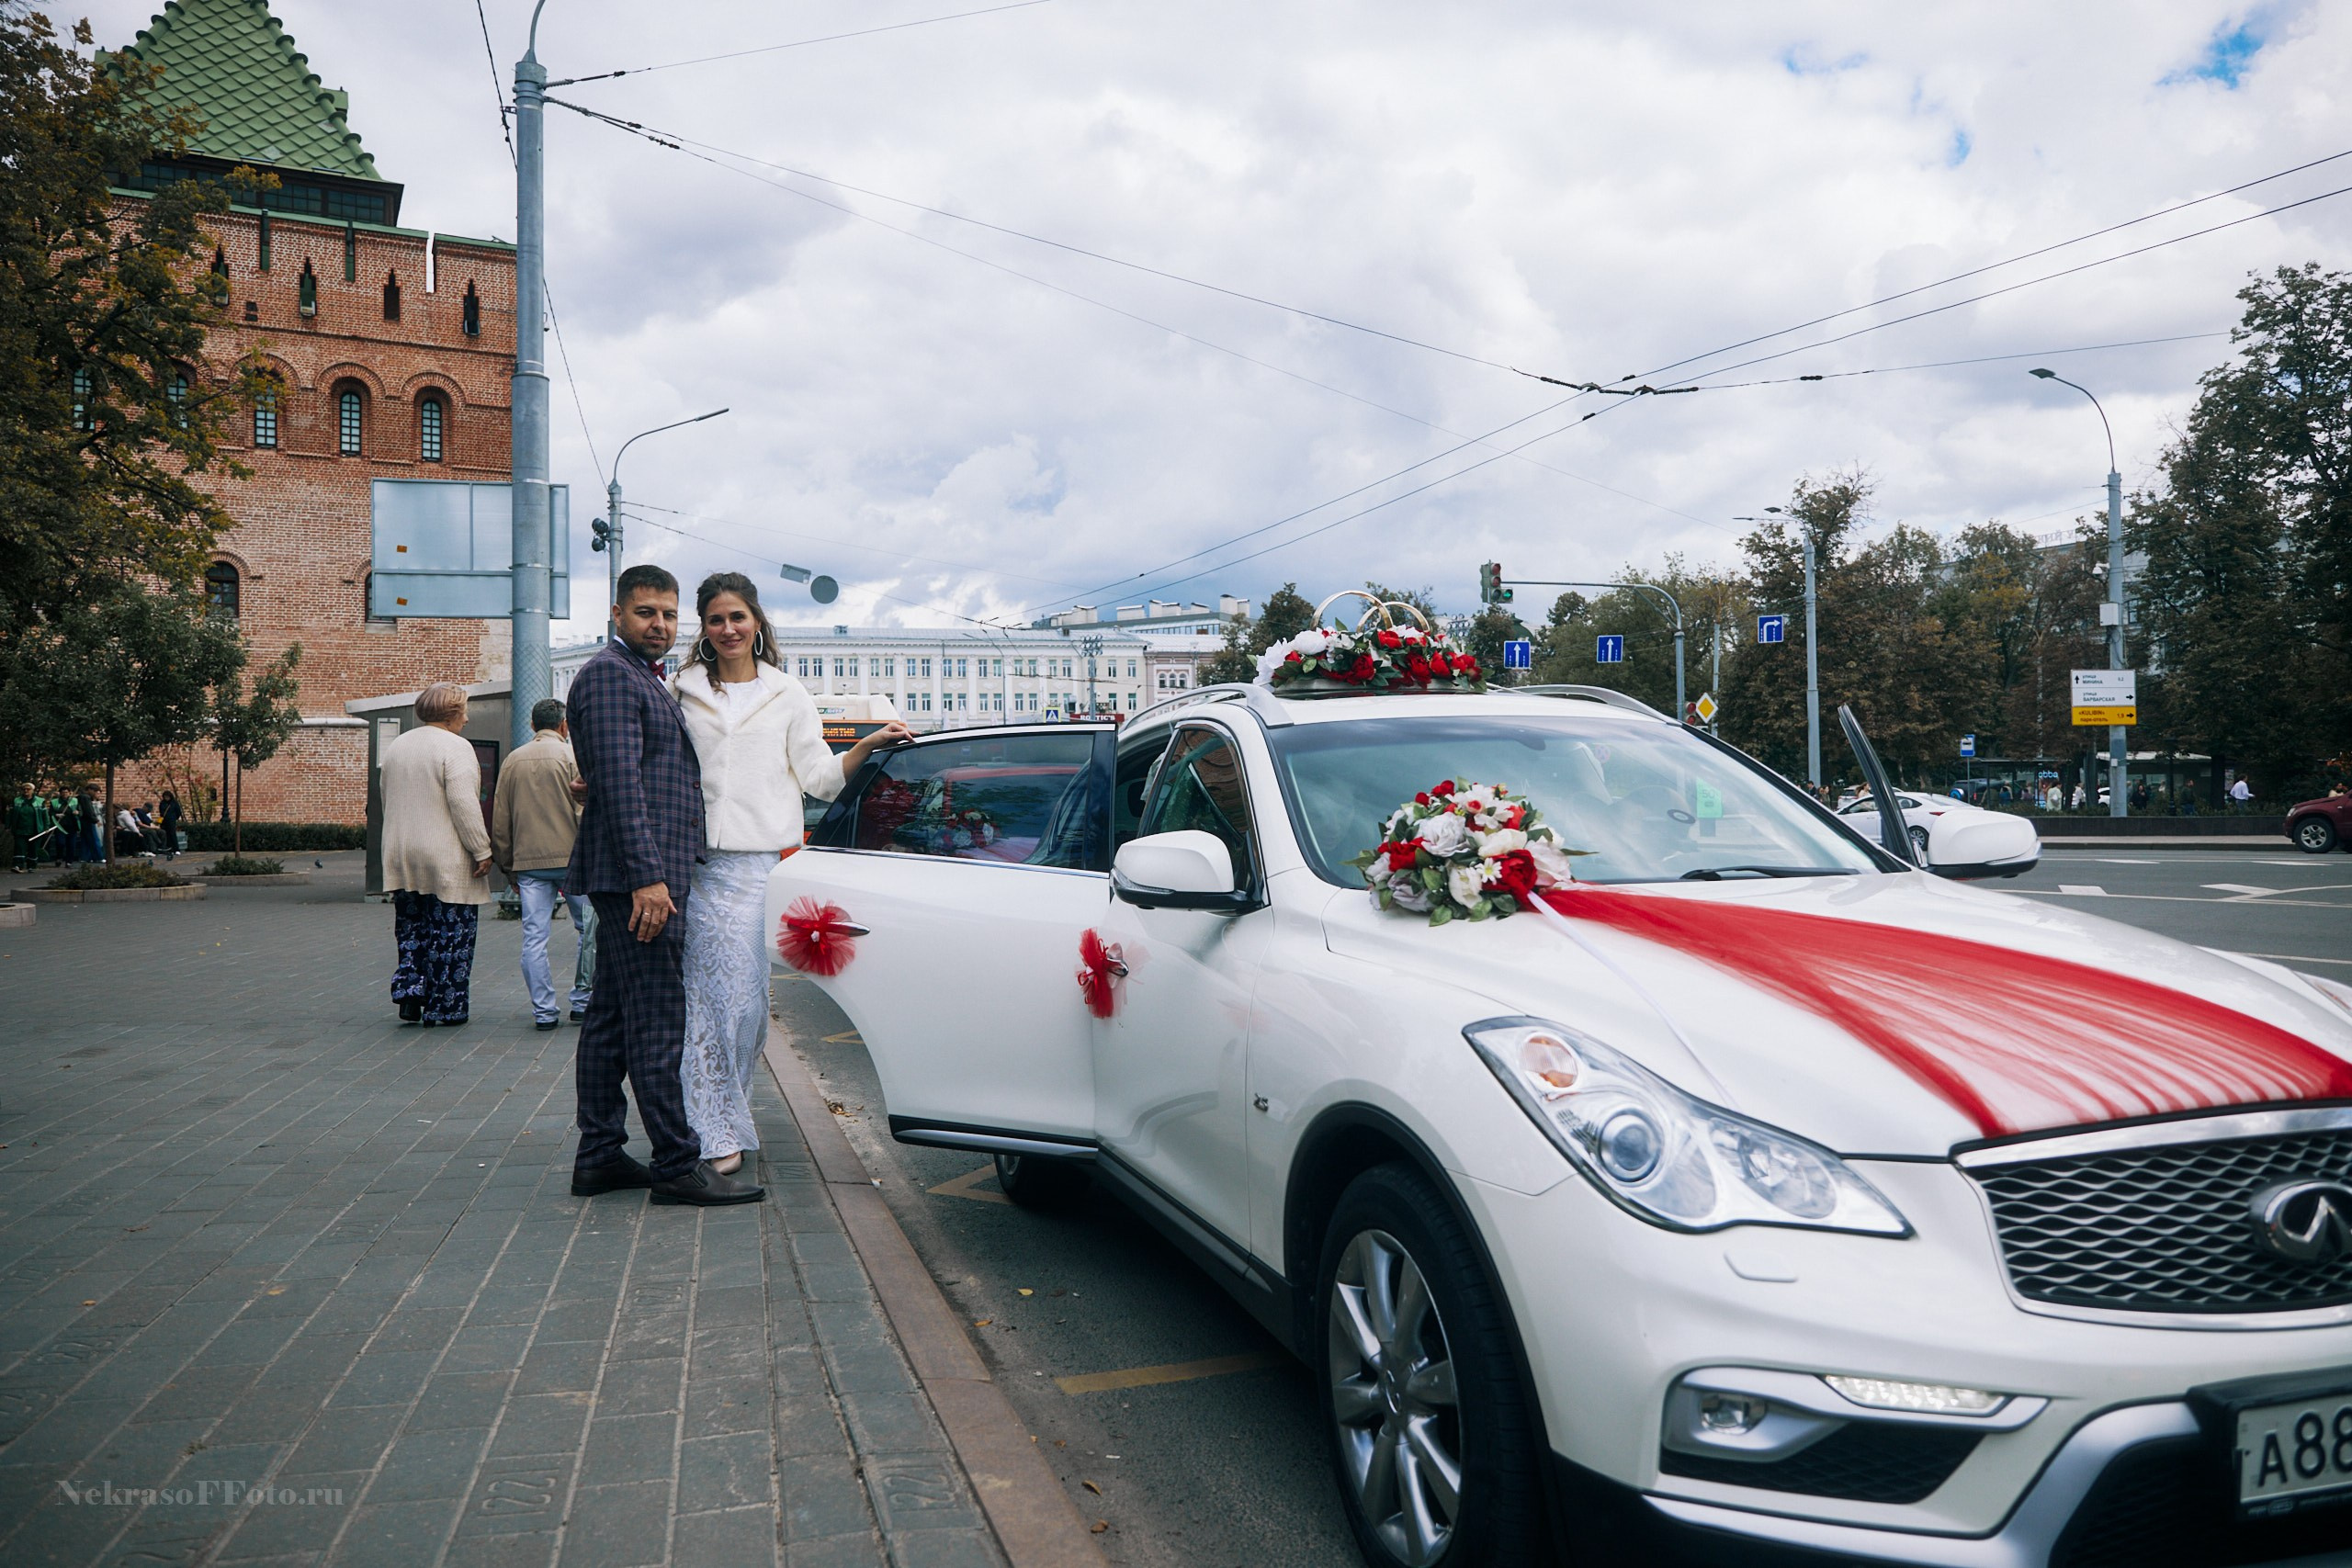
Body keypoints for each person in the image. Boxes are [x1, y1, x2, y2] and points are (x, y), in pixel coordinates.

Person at [673, 572, 910, 1176]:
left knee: (748, 1009)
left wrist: (869, 744)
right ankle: (711, 1125)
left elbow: (820, 779)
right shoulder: (681, 689)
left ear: (757, 623)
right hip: (697, 868)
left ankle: (727, 1105)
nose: (728, 629)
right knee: (706, 1005)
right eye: (716, 619)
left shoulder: (787, 693)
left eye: (738, 617)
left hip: (756, 872)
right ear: (703, 629)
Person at [567, 563, 761, 1207]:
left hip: (637, 875)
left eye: (669, 614)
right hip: (640, 881)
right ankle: (677, 1163)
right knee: (655, 1019)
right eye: (647, 612)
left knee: (611, 1018)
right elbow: (622, 787)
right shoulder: (612, 677)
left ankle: (599, 1154)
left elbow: (624, 775)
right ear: (617, 615)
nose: (660, 624)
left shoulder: (635, 678)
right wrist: (649, 879)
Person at [380, 682, 493, 1026]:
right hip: (443, 855)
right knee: (451, 932)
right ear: (452, 714)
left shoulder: (398, 746)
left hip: (401, 852)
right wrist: (482, 849)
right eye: (464, 711)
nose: (468, 718)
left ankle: (411, 994)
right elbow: (463, 804)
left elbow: (386, 796)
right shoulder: (456, 747)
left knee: (411, 927)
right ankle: (447, 1005)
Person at [493, 698, 593, 1031]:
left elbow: (501, 821)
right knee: (588, 932)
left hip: (529, 863)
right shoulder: (572, 757)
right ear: (565, 726)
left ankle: (544, 1010)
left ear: (533, 725)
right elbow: (585, 812)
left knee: (534, 938)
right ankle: (582, 1001)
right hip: (574, 860)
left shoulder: (512, 761)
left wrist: (509, 867)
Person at [157, 790, 183, 859]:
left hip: (171, 821)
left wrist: (174, 818)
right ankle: (169, 849)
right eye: (165, 797)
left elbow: (178, 812)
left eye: (167, 797)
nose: (166, 798)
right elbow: (161, 812)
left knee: (172, 834)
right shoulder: (162, 803)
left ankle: (176, 849)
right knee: (166, 835)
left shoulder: (174, 803)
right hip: (164, 821)